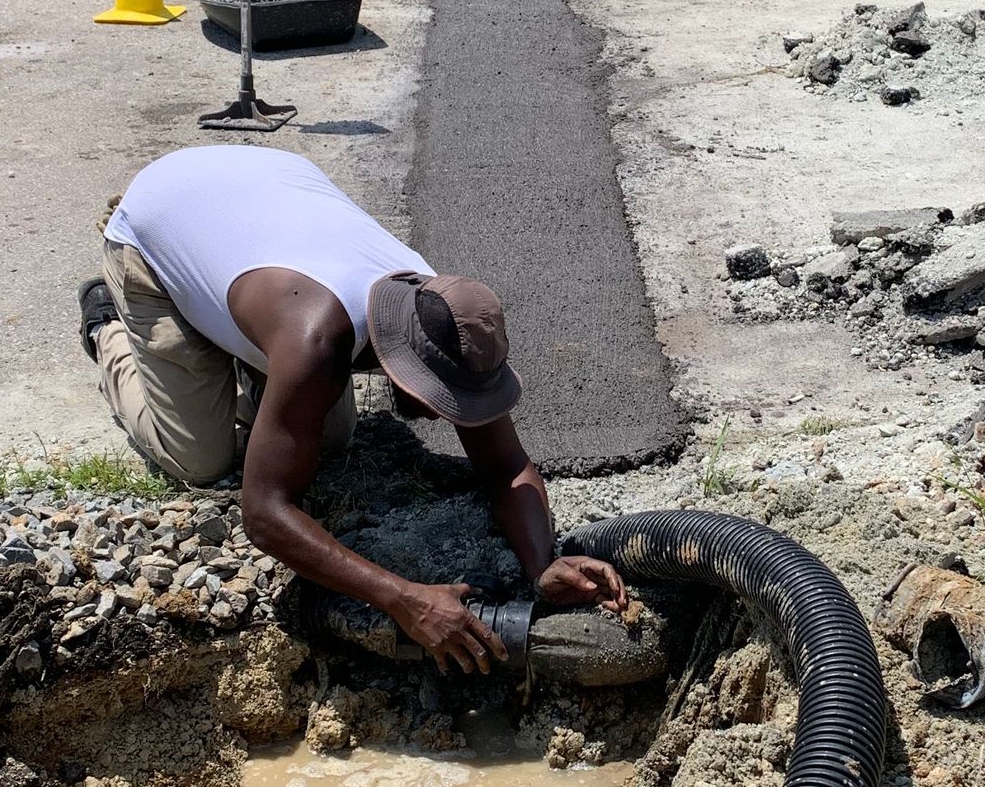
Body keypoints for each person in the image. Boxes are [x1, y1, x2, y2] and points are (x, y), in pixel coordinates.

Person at [78, 144, 626, 673]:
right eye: (436, 396)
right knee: (201, 460)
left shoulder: (437, 310)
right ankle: (108, 331)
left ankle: (242, 344)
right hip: (160, 221)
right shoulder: (317, 340)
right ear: (394, 361)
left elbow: (504, 465)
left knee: (329, 443)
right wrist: (402, 598)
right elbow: (264, 513)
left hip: (256, 209)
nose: (444, 415)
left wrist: (542, 563)